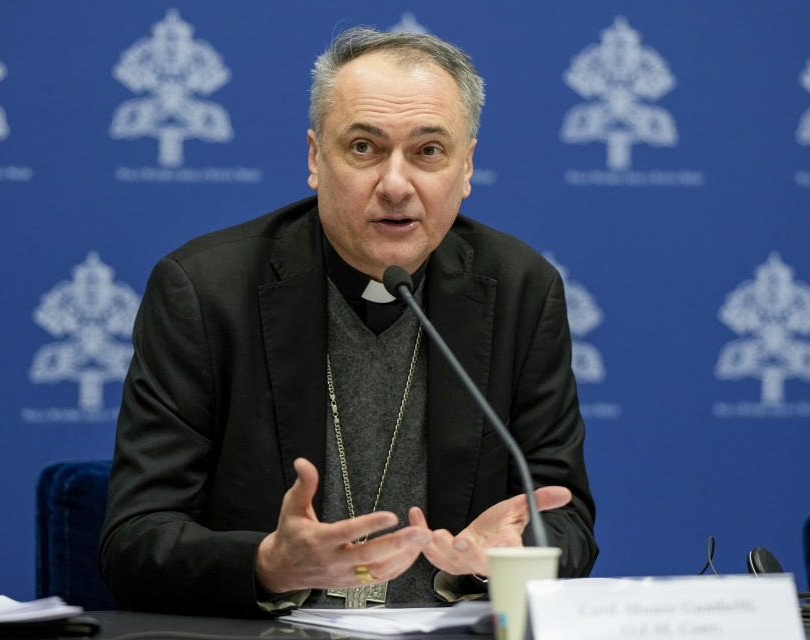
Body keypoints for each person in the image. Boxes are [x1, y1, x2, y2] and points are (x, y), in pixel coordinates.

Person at [99, 27, 597, 616]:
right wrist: (267, 564)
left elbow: (565, 519)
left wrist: (508, 555)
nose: (394, 183)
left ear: (466, 169)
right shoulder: (206, 292)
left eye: (428, 151)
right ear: (315, 158)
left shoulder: (521, 291)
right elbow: (133, 539)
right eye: (363, 147)